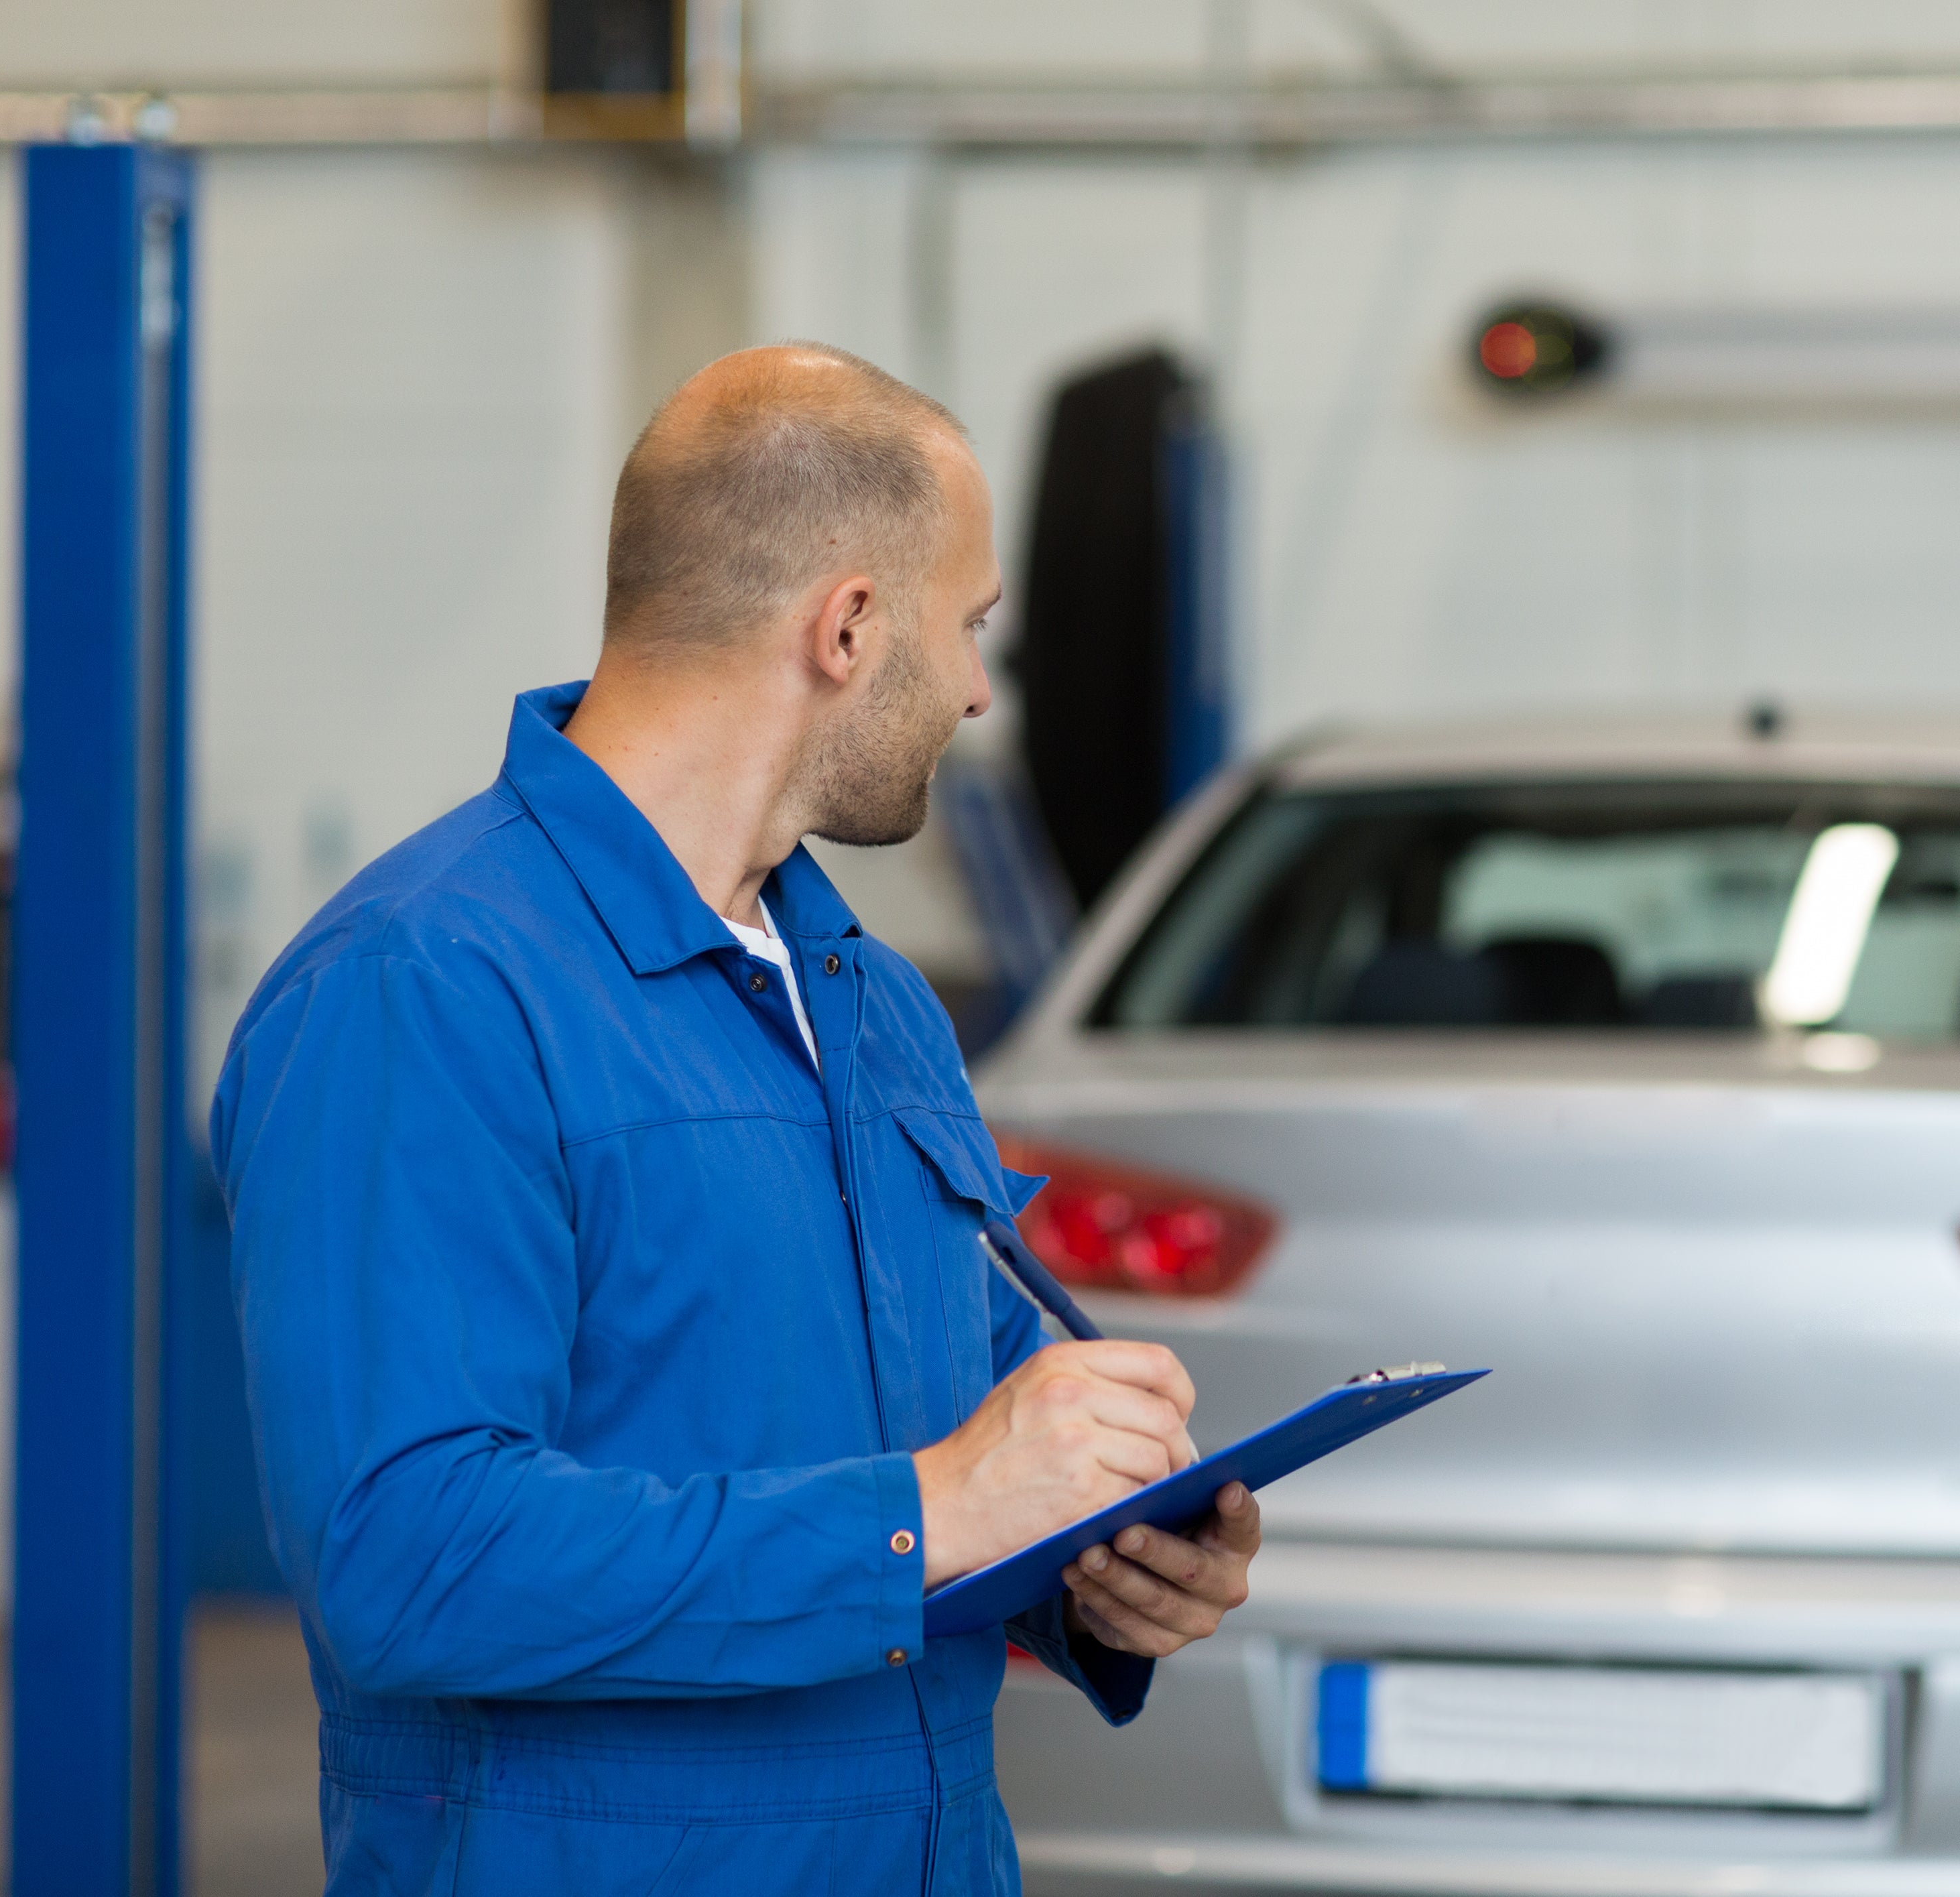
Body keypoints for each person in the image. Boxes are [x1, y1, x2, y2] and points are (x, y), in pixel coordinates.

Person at [211, 344, 1261, 1891]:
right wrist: (935, 1507)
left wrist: (1095, 1554)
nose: (976, 689)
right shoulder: (425, 986)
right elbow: (408, 1553)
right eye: (966, 630)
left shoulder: (870, 997)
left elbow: (961, 1400)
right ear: (845, 626)